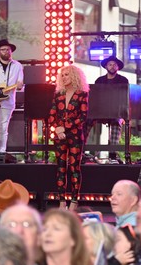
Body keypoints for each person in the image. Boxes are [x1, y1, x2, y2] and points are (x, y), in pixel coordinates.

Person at [48, 64, 89, 211]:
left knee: (74, 167)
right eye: (62, 75)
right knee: (60, 168)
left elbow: (83, 117)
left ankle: (74, 200)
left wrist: (64, 127)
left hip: (75, 135)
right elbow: (52, 115)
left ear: (74, 76)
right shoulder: (58, 94)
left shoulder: (82, 94)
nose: (64, 77)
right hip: (59, 135)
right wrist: (57, 128)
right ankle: (61, 201)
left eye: (67, 74)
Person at [86, 56, 129, 163]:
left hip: (116, 111)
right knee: (86, 121)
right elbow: (95, 97)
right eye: (110, 64)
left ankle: (113, 154)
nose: (112, 66)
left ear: (118, 67)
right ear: (106, 66)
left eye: (115, 64)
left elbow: (125, 97)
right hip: (100, 111)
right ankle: (82, 151)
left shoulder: (123, 80)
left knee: (116, 121)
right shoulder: (99, 80)